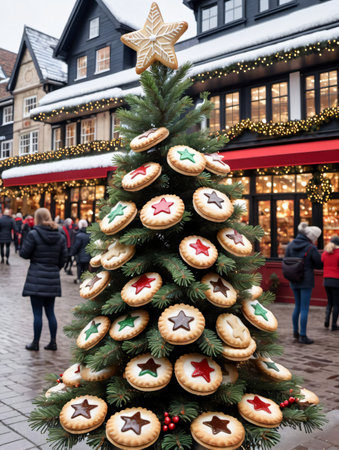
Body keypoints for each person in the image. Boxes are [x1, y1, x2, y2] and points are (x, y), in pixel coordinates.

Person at [20, 208, 67, 351]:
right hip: (52, 277)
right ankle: (53, 342)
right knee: (50, 312)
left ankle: (35, 343)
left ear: (37, 218)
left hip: (36, 277)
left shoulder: (33, 234)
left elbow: (24, 253)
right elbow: (63, 258)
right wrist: (54, 269)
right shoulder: (60, 235)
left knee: (37, 313)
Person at [285, 222, 322, 344]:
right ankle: (303, 335)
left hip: (293, 278)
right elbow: (318, 264)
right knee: (305, 308)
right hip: (306, 280)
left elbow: (286, 260)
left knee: (297, 306)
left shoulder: (290, 245)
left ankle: (295, 332)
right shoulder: (311, 247)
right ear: (311, 238)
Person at [322, 235, 339, 331]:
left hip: (326, 280)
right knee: (336, 304)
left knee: (329, 302)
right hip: (336, 281)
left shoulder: (325, 254)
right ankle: (334, 325)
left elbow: (321, 262)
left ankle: (326, 321)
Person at [72, 219, 90, 283]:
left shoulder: (79, 235)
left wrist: (73, 253)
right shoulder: (89, 234)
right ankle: (84, 280)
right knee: (86, 268)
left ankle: (79, 279)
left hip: (80, 255)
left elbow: (76, 246)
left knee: (79, 267)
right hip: (88, 255)